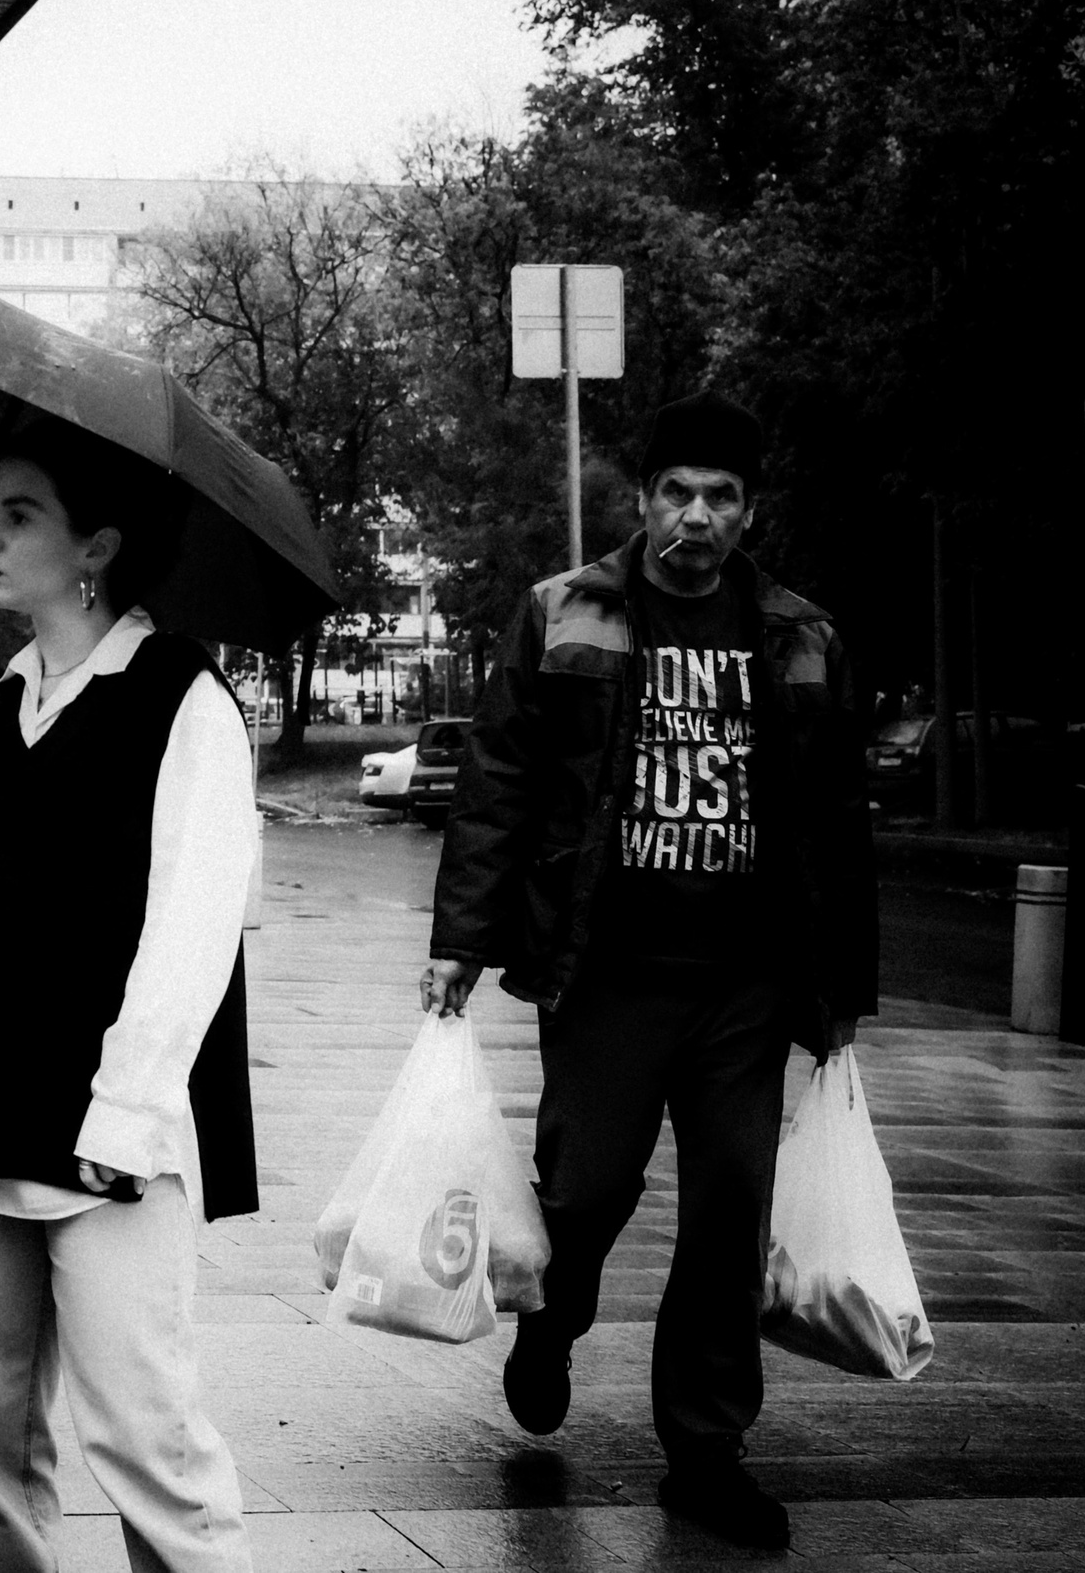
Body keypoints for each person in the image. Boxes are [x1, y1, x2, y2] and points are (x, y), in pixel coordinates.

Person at [423, 391, 876, 1551]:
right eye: (677, 492)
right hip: (605, 973)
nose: (696, 516)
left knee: (729, 1211)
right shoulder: (563, 612)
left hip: (744, 983)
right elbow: (498, 780)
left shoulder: (803, 636)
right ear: (642, 500)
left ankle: (706, 1451)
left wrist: (838, 991)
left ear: (748, 511)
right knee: (583, 1191)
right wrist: (459, 940)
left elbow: (836, 822)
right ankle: (550, 1319)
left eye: (720, 496)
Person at [0, 431, 260, 1573]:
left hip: (104, 1129)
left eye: (18, 514)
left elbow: (194, 934)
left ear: (97, 548)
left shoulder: (182, 698)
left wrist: (125, 1114)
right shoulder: (9, 694)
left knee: (145, 1443)